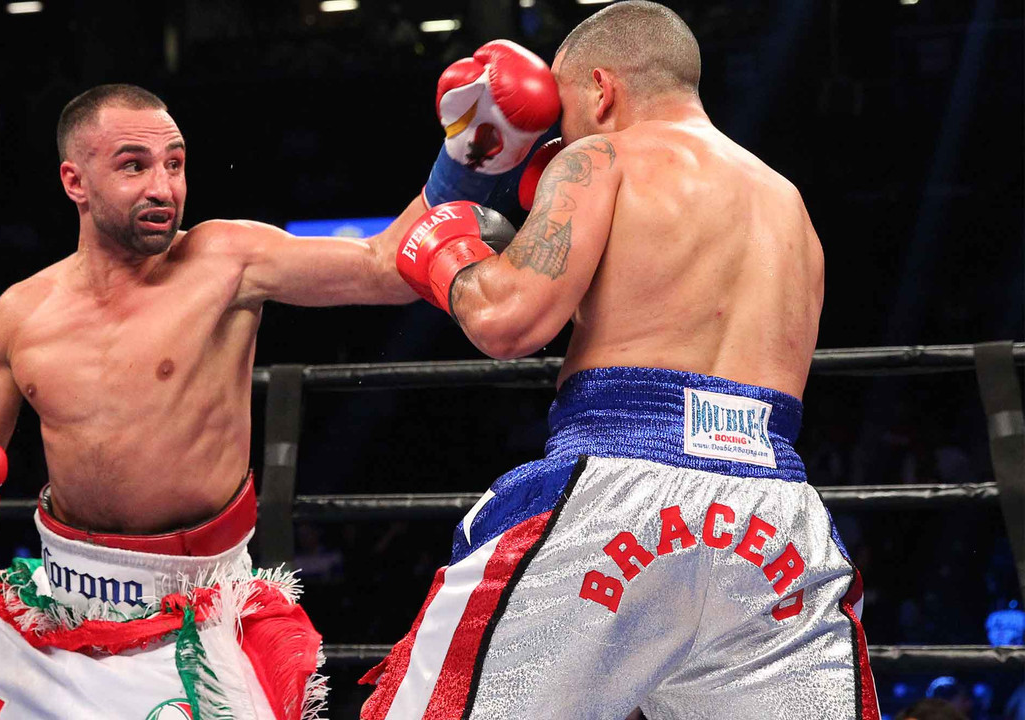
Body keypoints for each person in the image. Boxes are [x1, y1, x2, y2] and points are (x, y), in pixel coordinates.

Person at [0, 76, 558, 720]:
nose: (164, 186)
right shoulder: (19, 314)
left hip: (196, 616)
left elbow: (384, 265)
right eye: (134, 165)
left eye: (174, 163)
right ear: (74, 181)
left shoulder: (225, 261)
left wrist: (469, 148)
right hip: (58, 606)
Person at [366, 3, 880, 718]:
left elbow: (507, 319)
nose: (560, 136)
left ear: (601, 89)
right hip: (774, 519)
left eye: (567, 111)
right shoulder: (786, 201)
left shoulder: (599, 156)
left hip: (620, 494)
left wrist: (446, 247)